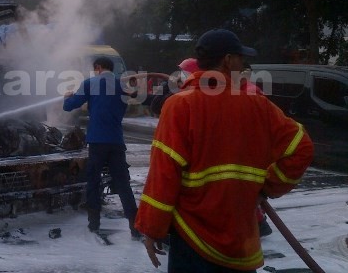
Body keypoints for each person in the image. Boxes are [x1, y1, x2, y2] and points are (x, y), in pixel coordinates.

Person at [135, 29, 314, 272]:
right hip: (240, 243)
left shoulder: (180, 105)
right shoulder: (259, 106)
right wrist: (269, 187)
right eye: (241, 58)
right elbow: (301, 148)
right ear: (228, 61)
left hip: (191, 239)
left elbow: (164, 173)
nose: (244, 65)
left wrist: (152, 228)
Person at [63, 56, 141, 240]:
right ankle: (135, 227)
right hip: (116, 141)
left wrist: (67, 97)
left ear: (98, 67)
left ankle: (94, 224)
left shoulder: (90, 83)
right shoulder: (120, 86)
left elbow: (69, 107)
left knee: (93, 181)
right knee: (123, 185)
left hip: (97, 142)